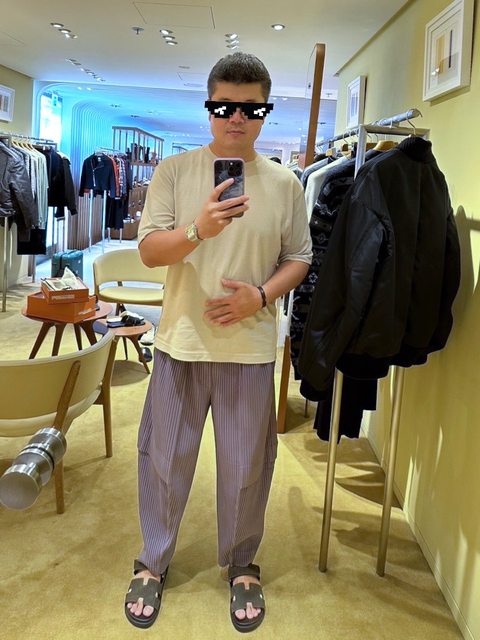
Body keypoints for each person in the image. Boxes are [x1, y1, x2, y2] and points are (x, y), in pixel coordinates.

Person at [124, 51, 312, 633]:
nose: (237, 118)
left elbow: (300, 257)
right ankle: (152, 561)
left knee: (246, 466)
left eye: (251, 108)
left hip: (250, 349)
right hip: (180, 344)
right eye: (225, 106)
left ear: (264, 112)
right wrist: (198, 229)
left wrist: (261, 295)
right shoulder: (175, 171)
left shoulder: (285, 183)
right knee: (163, 460)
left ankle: (242, 564)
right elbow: (148, 252)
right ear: (208, 109)